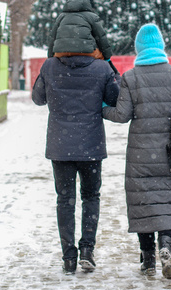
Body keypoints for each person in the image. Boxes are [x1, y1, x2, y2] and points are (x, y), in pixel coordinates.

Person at [102, 23, 171, 280]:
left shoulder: (131, 77)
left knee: (144, 204)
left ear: (138, 49)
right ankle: (166, 245)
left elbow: (121, 115)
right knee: (168, 202)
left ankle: (148, 260)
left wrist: (102, 107)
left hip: (141, 157)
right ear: (161, 47)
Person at [32, 54, 120, 275]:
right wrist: (110, 66)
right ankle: (87, 250)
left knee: (65, 200)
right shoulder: (101, 68)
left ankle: (69, 257)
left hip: (60, 147)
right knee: (91, 196)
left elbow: (38, 98)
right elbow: (115, 98)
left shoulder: (51, 65)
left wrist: (47, 70)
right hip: (91, 145)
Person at [48, 0, 112, 62]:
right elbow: (101, 38)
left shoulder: (61, 17)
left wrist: (50, 57)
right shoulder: (91, 16)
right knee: (102, 58)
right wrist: (107, 57)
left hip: (62, 53)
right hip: (86, 52)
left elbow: (52, 38)